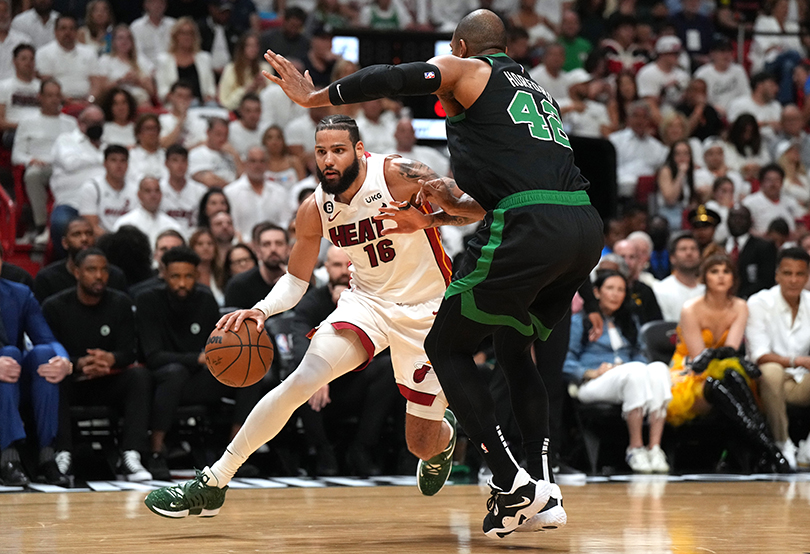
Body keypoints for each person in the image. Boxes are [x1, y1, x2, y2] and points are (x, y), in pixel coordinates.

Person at [262, 9, 604, 537]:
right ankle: (545, 488)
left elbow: (397, 76)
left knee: (445, 348)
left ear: (462, 45)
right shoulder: (535, 90)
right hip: (582, 222)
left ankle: (510, 482)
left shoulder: (472, 70)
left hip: (529, 220)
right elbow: (485, 188)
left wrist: (316, 97)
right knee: (514, 349)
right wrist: (432, 217)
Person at [145, 114, 469, 522]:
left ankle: (442, 438)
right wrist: (260, 309)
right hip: (366, 303)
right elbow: (296, 280)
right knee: (299, 381)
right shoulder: (315, 207)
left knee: (421, 444)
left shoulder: (398, 173)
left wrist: (428, 219)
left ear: (358, 149)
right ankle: (213, 483)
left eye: (337, 150)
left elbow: (471, 207)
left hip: (427, 310)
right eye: (321, 152)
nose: (328, 160)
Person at [667, 252, 790, 472]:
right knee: (720, 384)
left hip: (725, 369)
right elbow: (698, 360)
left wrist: (725, 356)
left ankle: (768, 452)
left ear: (734, 277)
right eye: (714, 271)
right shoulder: (690, 309)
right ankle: (771, 451)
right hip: (690, 374)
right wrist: (721, 356)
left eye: (726, 271)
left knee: (732, 376)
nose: (721, 277)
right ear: (704, 277)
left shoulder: (740, 307)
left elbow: (731, 351)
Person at [42, 248, 152, 482]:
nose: (99, 275)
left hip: (107, 379)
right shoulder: (55, 306)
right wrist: (78, 364)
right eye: (92, 270)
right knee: (52, 378)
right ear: (76, 271)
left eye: (104, 270)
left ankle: (131, 455)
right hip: (72, 381)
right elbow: (46, 351)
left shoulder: (121, 303)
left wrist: (110, 359)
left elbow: (128, 352)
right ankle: (63, 453)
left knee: (139, 376)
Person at [564, 270, 671, 473]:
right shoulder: (580, 321)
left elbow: (640, 355)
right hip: (592, 382)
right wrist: (590, 373)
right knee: (635, 371)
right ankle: (635, 447)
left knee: (659, 369)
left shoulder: (629, 320)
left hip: (629, 376)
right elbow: (565, 360)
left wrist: (628, 366)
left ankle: (654, 448)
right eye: (610, 288)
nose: (615, 294)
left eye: (621, 290)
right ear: (596, 292)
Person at [0, 242, 72, 487]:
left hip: (12, 375)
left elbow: (48, 339)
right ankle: (8, 457)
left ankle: (47, 456)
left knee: (44, 356)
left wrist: (64, 361)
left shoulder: (19, 294)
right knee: (8, 354)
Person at [746, 247, 810, 470]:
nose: (793, 280)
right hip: (767, 381)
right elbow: (759, 355)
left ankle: (808, 445)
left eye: (800, 274)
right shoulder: (759, 302)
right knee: (771, 370)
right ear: (777, 275)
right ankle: (782, 443)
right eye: (787, 273)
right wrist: (798, 361)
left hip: (801, 381)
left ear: (807, 276)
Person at [11, 78, 77, 245]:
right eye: (49, 95)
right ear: (40, 97)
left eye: (57, 95)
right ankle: (40, 225)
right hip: (40, 166)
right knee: (33, 175)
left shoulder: (71, 123)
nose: (54, 99)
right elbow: (16, 154)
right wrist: (31, 159)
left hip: (65, 167)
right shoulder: (27, 122)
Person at [49, 104, 106, 258]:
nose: (96, 126)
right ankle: (69, 265)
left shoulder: (106, 145)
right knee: (61, 223)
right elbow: (70, 162)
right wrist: (102, 159)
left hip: (102, 206)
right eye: (92, 122)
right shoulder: (66, 140)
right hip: (71, 204)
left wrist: (93, 158)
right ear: (81, 123)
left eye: (100, 123)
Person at [33, 216, 128, 303]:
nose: (84, 239)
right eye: (76, 234)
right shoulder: (47, 278)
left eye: (89, 234)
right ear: (65, 243)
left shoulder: (115, 276)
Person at [224, 146, 291, 239]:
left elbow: (285, 221)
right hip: (242, 246)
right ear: (245, 163)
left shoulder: (280, 192)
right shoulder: (230, 192)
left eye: (262, 161)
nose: (257, 165)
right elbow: (232, 225)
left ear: (267, 164)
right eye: (253, 161)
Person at [35, 15, 103, 104]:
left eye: (71, 29)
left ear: (76, 32)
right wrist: (67, 101)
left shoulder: (89, 52)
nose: (67, 32)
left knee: (95, 115)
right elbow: (47, 84)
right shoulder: (44, 53)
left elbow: (96, 84)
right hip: (58, 103)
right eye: (63, 28)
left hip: (86, 103)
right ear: (55, 32)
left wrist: (90, 100)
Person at [223, 222, 289, 309]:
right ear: (257, 251)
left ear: (288, 249)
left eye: (279, 243)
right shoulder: (238, 286)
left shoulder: (299, 283)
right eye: (266, 244)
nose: (273, 249)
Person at [78, 144, 136, 236]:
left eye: (123, 161)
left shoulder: (136, 189)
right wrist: (113, 242)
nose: (119, 165)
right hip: (101, 242)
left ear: (127, 164)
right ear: (105, 163)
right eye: (113, 160)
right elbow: (91, 226)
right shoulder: (92, 188)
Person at [154, 17, 216, 104]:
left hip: (203, 105)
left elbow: (211, 89)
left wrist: (208, 98)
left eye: (190, 33)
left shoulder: (204, 58)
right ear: (175, 36)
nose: (187, 37)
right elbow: (162, 92)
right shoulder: (163, 60)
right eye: (183, 33)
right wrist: (182, 101)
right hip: (175, 106)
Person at [114, 176, 183, 248]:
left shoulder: (172, 225)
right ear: (139, 195)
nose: (153, 195)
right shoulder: (125, 223)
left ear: (161, 194)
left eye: (157, 191)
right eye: (148, 191)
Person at [98, 25, 156, 108]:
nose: (124, 41)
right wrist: (121, 81)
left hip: (139, 99)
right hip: (115, 99)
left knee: (146, 106)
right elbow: (101, 90)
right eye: (120, 38)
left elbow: (151, 91)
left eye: (128, 38)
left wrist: (137, 81)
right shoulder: (106, 60)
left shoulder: (141, 60)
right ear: (114, 42)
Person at [653, 232, 705, 322]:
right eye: (683, 249)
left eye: (693, 249)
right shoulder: (660, 290)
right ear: (672, 258)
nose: (689, 253)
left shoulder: (708, 289)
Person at [742, 164, 805, 237]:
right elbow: (744, 229)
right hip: (762, 244)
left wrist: (797, 235)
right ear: (761, 182)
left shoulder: (791, 201)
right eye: (769, 180)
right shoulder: (750, 202)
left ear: (782, 183)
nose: (773, 184)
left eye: (777, 180)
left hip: (790, 244)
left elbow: (801, 226)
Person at [160, 144, 207, 238]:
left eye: (183, 161)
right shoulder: (158, 189)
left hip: (192, 240)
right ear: (166, 163)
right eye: (175, 160)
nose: (180, 165)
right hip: (165, 237)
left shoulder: (200, 191)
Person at [218, 32, 271, 111]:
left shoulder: (265, 68)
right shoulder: (231, 68)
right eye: (249, 45)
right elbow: (224, 102)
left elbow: (271, 99)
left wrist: (264, 87)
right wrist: (246, 90)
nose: (253, 49)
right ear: (242, 48)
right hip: (234, 112)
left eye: (256, 46)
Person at [188, 117, 242, 188]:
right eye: (218, 134)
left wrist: (236, 156)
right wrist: (233, 189)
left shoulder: (231, 154)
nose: (222, 138)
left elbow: (244, 178)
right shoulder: (197, 153)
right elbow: (208, 180)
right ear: (208, 132)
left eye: (225, 135)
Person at [129, 0, 176, 69]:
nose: (157, 6)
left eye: (161, 2)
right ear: (146, 5)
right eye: (153, 2)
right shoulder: (136, 27)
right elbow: (137, 53)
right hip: (145, 70)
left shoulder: (173, 25)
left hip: (171, 68)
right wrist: (150, 69)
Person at [227, 93, 266, 160]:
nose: (253, 115)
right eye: (248, 111)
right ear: (241, 111)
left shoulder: (266, 131)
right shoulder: (230, 130)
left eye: (256, 111)